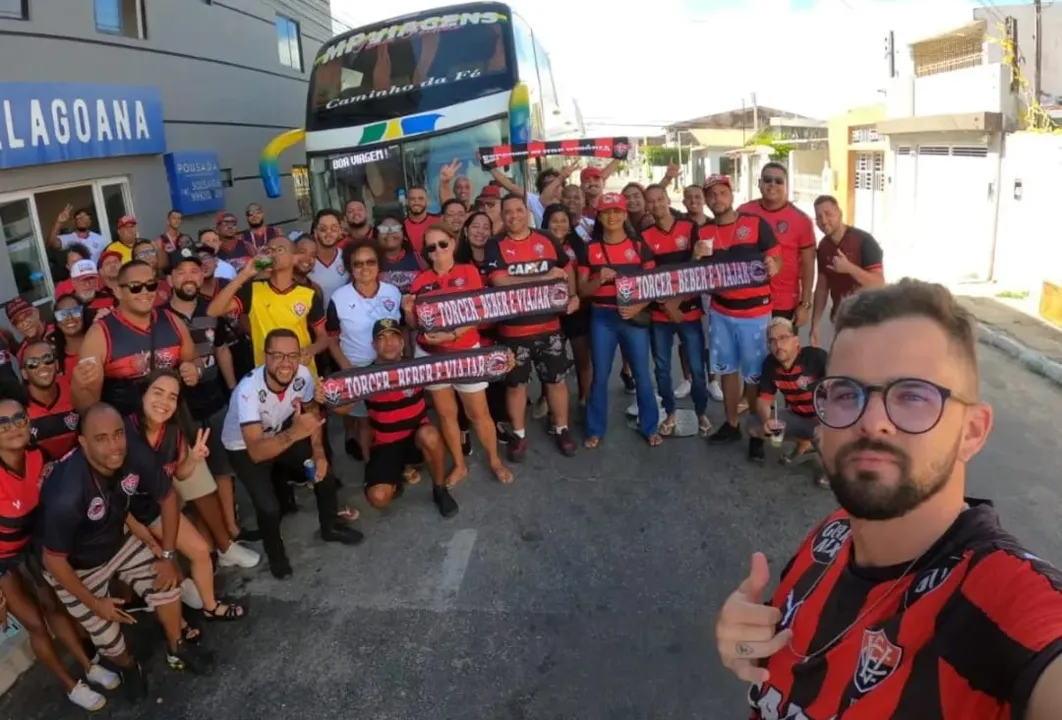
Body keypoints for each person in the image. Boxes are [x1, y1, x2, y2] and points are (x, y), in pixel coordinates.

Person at [715, 279, 1062, 719]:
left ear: (971, 432)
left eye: (913, 395)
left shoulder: (1002, 606)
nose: (872, 421)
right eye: (845, 393)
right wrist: (748, 636)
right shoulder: (831, 535)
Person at [39, 403, 213, 696]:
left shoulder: (132, 450)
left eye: (118, 434)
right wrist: (95, 603)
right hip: (75, 565)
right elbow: (54, 561)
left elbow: (168, 498)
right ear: (82, 442)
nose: (114, 446)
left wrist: (169, 556)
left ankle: (176, 647)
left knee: (168, 582)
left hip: (117, 540)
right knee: (107, 637)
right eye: (101, 438)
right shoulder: (65, 493)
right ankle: (130, 666)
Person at [0, 397, 119, 711]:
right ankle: (70, 684)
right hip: (2, 562)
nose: (13, 427)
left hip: (34, 545)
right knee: (36, 625)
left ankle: (89, 665)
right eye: (3, 423)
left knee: (54, 607)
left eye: (19, 418)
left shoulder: (38, 455)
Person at [221, 329, 363, 579]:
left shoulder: (303, 374)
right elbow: (256, 451)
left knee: (323, 471)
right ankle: (276, 555)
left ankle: (330, 526)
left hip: (283, 431)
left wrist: (318, 452)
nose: (286, 363)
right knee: (268, 507)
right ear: (265, 356)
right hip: (245, 447)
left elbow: (311, 411)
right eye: (278, 355)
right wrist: (294, 434)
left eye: (292, 356)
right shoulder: (248, 391)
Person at [123, 371, 250, 622]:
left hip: (157, 509)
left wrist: (193, 459)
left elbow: (180, 474)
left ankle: (210, 606)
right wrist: (142, 534)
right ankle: (177, 629)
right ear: (142, 395)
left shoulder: (174, 432)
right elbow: (110, 493)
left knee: (201, 550)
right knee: (159, 572)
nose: (164, 402)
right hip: (123, 517)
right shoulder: (122, 432)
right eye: (157, 393)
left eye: (172, 397)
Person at [165, 250, 259, 562]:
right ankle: (209, 540)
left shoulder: (209, 308)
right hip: (182, 412)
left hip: (216, 399)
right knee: (192, 477)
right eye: (181, 271)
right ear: (169, 279)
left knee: (222, 469)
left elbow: (221, 350)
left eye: (194, 271)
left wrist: (233, 391)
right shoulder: (160, 317)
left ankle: (231, 529)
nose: (189, 277)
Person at [405, 225, 513, 484]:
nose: (438, 250)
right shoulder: (419, 281)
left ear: (452, 243)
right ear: (426, 253)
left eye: (442, 243)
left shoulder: (469, 271)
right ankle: (460, 465)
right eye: (431, 247)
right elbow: (414, 325)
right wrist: (409, 311)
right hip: (431, 353)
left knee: (478, 413)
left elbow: (478, 312)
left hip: (465, 350)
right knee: (445, 414)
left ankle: (494, 461)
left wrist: (453, 335)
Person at [483, 195, 578, 460]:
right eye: (508, 212)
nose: (513, 216)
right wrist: (544, 276)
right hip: (513, 331)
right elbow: (499, 280)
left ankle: (562, 429)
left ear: (527, 212)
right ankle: (519, 435)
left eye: (518, 210)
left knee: (556, 382)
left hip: (550, 327)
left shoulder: (545, 237)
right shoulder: (496, 244)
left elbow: (566, 267)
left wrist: (572, 295)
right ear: (502, 215)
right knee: (515, 386)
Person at [695, 175, 780, 445]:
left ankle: (756, 430)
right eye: (711, 195)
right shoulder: (704, 232)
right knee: (727, 371)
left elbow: (776, 256)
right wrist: (695, 258)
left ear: (730, 194)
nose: (716, 198)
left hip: (755, 314)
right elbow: (697, 274)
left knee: (754, 374)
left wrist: (774, 265)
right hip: (721, 312)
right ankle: (731, 424)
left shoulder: (754, 224)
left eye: (721, 193)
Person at [345, 319, 458, 517]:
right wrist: (326, 398)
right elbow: (342, 409)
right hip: (385, 446)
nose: (389, 343)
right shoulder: (365, 377)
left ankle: (439, 489)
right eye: (382, 338)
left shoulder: (416, 368)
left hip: (416, 439)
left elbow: (462, 368)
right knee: (378, 498)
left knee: (430, 434)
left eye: (394, 336)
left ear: (403, 342)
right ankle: (396, 477)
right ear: (373, 345)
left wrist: (498, 362)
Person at [577, 192, 659, 449]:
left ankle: (650, 426)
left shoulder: (639, 247)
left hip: (632, 317)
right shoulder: (589, 249)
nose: (611, 216)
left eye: (616, 211)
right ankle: (595, 428)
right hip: (602, 316)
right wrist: (598, 279)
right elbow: (581, 291)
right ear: (599, 217)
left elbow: (654, 286)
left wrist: (638, 307)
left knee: (643, 376)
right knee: (600, 375)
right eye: (606, 212)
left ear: (625, 214)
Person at [72, 260, 199, 416]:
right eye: (135, 287)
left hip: (173, 425)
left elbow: (194, 360)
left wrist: (195, 371)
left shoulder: (173, 321)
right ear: (118, 292)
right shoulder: (99, 335)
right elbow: (89, 408)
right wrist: (79, 387)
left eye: (151, 285)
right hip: (128, 431)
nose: (145, 292)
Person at [642, 184, 712, 437]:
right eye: (651, 202)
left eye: (660, 199)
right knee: (661, 367)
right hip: (660, 314)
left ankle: (701, 412)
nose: (656, 205)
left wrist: (677, 303)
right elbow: (649, 278)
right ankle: (669, 412)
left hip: (688, 311)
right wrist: (665, 304)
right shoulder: (646, 235)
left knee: (696, 366)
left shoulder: (689, 228)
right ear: (647, 206)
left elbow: (696, 269)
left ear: (668, 199)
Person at [205, 235, 329, 376]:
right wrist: (244, 275)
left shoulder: (308, 294)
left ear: (294, 257)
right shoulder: (252, 290)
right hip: (266, 377)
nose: (274, 254)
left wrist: (311, 349)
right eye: (270, 251)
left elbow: (323, 337)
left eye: (280, 249)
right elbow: (213, 311)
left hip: (302, 374)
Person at [325, 241, 402, 460]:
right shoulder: (339, 298)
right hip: (357, 369)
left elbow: (402, 328)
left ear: (379, 265)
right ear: (350, 268)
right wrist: (347, 368)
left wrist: (403, 359)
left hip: (390, 367)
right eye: (357, 264)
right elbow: (331, 339)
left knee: (392, 416)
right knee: (365, 421)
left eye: (370, 262)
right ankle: (371, 463)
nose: (364, 268)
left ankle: (399, 460)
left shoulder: (393, 292)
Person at [748, 317, 828, 485]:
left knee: (829, 463)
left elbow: (844, 389)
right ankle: (805, 443)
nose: (778, 345)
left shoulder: (815, 357)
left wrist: (831, 421)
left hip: (825, 419)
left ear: (796, 341)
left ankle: (832, 465)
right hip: (799, 415)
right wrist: (766, 421)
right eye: (772, 341)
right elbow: (763, 400)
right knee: (753, 424)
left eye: (783, 338)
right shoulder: (770, 364)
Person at [738, 163, 816, 326]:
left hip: (784, 302)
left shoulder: (801, 220)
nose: (772, 184)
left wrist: (805, 304)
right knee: (751, 352)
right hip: (748, 299)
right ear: (759, 183)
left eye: (779, 181)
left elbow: (809, 265)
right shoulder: (743, 211)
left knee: (781, 350)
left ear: (786, 186)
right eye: (767, 180)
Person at [810, 194, 886, 347]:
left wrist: (849, 268)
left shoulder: (863, 241)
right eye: (819, 217)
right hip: (840, 320)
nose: (824, 221)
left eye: (828, 214)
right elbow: (822, 287)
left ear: (839, 213)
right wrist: (815, 324)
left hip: (868, 321)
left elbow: (879, 284)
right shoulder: (824, 246)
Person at [542, 204, 592, 408]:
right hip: (548, 310)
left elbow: (584, 277)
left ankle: (585, 399)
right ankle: (548, 402)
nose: (559, 225)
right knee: (552, 361)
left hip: (576, 307)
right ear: (546, 223)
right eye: (554, 220)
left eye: (563, 220)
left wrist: (576, 296)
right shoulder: (538, 245)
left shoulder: (579, 247)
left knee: (582, 358)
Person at [22, 340, 79, 459]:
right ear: (24, 374)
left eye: (47, 359)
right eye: (33, 363)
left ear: (57, 365)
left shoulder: (75, 388)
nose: (42, 366)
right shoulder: (17, 406)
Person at [308, 209, 349, 306]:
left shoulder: (348, 258)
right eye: (323, 229)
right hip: (316, 319)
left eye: (334, 229)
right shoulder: (306, 261)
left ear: (340, 232)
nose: (328, 233)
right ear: (315, 232)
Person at [376, 212, 423, 293]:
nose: (389, 232)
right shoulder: (370, 262)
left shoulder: (420, 259)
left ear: (404, 235)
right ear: (376, 236)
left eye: (395, 228)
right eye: (384, 229)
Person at [51, 294, 87, 377]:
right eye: (62, 314)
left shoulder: (100, 342)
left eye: (75, 311)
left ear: (83, 314)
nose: (69, 317)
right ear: (57, 323)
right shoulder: (56, 362)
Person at [403, 186, 441, 253]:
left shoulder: (438, 222)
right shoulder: (401, 225)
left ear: (427, 201)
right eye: (412, 199)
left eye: (420, 198)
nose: (416, 202)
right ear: (406, 201)